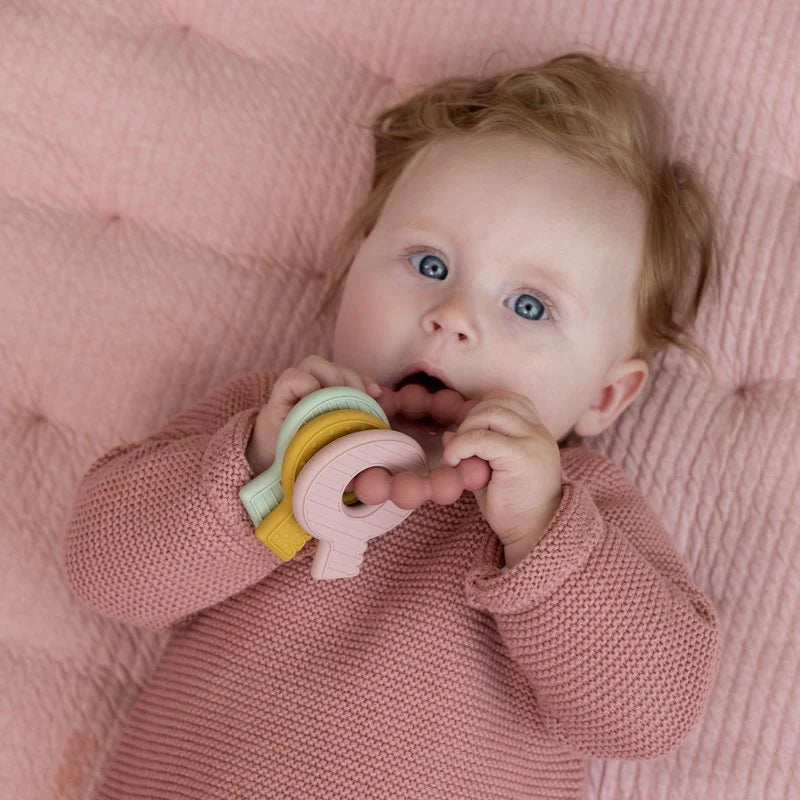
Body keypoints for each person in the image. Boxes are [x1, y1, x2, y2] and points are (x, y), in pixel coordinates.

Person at [62, 51, 722, 799]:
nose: (452, 317)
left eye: (529, 306)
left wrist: (543, 533)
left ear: (606, 395)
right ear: (352, 270)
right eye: (429, 264)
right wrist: (260, 466)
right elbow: (103, 574)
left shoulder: (579, 508)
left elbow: (646, 720)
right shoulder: (272, 423)